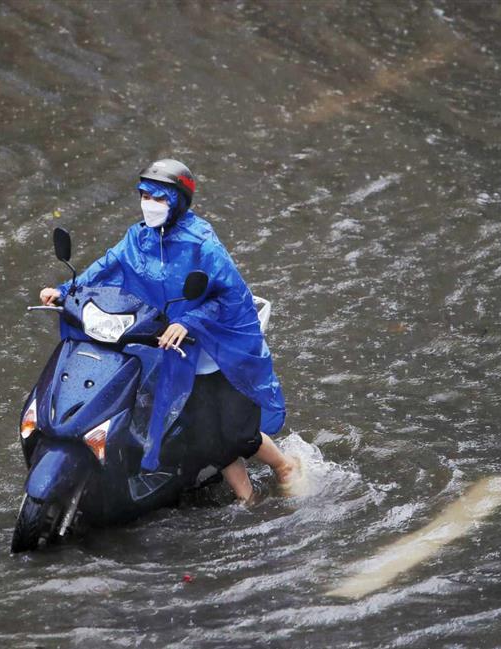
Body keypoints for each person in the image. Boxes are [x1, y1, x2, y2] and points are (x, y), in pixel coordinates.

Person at [39, 159, 303, 503]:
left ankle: (284, 467)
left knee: (236, 433)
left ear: (177, 201)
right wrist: (64, 290)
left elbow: (231, 296)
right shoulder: (139, 238)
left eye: (158, 197)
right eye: (144, 194)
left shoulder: (202, 244)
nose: (149, 203)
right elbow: (106, 266)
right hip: (165, 342)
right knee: (203, 433)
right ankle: (247, 499)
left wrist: (187, 321)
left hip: (210, 346)